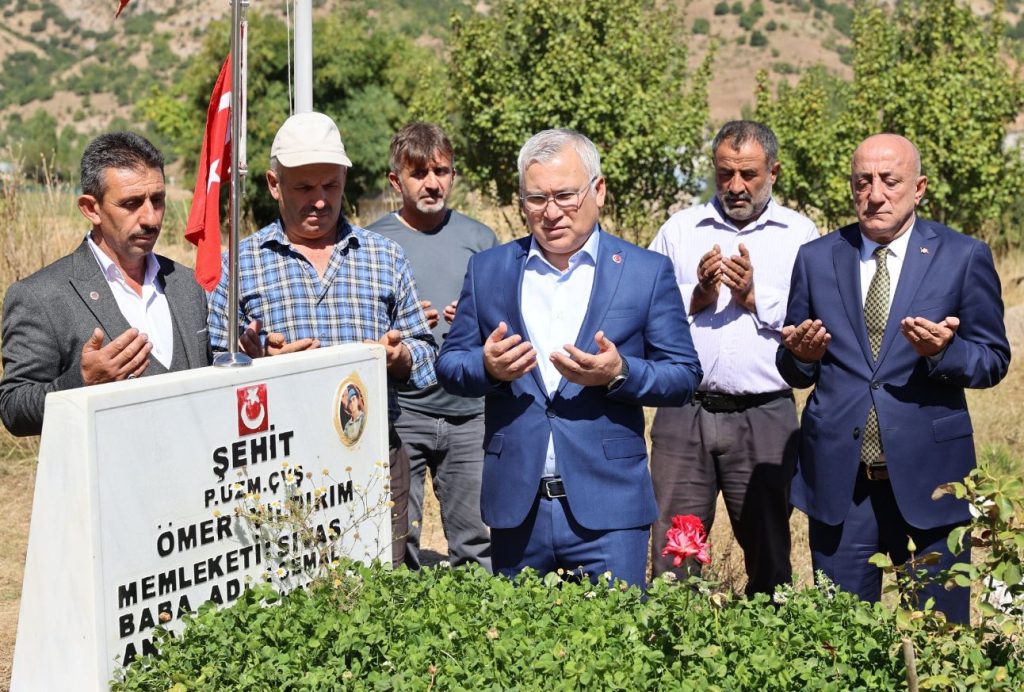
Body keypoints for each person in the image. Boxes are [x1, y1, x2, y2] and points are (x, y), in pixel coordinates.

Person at [436, 128, 702, 587]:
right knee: (519, 653)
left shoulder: (644, 272)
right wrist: (487, 367)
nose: (552, 212)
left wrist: (620, 372)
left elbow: (683, 375)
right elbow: (450, 365)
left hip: (609, 509)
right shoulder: (489, 270)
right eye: (536, 198)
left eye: (565, 195)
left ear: (598, 190)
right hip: (518, 508)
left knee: (615, 650)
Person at [777, 133, 1011, 622]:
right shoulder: (818, 258)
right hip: (842, 481)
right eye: (863, 182)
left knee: (938, 635)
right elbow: (796, 367)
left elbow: (992, 359)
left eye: (890, 181)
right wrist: (801, 356)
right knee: (839, 637)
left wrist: (944, 353)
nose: (875, 194)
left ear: (919, 187)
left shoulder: (962, 256)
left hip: (930, 480)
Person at [207, 112, 437, 568]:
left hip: (373, 460)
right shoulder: (240, 264)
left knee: (379, 587)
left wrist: (399, 357)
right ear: (274, 184)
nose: (319, 201)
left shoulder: (384, 256)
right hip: (278, 470)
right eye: (303, 188)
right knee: (285, 594)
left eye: (330, 187)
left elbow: (427, 356)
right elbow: (213, 365)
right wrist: (257, 363)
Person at [647, 121, 819, 596]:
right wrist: (698, 292)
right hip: (684, 415)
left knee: (769, 552)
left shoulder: (800, 234)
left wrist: (754, 295)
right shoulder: (680, 230)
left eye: (749, 174)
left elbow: (818, 315)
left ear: (774, 172)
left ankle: (765, 654)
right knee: (675, 555)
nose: (736, 186)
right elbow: (640, 309)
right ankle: (674, 647)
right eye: (726, 174)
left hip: (764, 416)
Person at [0, 132, 212, 437]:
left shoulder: (187, 284)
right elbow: (14, 408)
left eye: (158, 200)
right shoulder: (40, 296)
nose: (151, 218)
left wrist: (250, 357)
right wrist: (80, 381)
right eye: (131, 203)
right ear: (91, 208)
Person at [368, 123, 498, 570]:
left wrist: (475, 316)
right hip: (404, 413)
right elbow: (360, 325)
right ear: (395, 181)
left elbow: (504, 321)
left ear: (453, 175)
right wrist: (402, 324)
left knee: (477, 540)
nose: (432, 183)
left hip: (471, 414)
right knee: (397, 540)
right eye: (418, 173)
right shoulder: (371, 244)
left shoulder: (481, 240)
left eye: (441, 171)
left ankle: (484, 630)